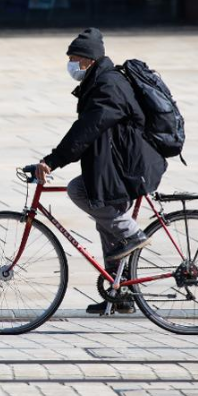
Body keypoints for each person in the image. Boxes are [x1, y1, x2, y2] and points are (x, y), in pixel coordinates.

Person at [36, 28, 167, 314]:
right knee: (106, 222)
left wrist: (53, 160)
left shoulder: (108, 86)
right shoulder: (101, 82)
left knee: (79, 191)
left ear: (88, 61)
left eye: (74, 59)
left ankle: (133, 234)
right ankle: (120, 295)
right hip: (117, 165)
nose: (70, 65)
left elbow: (87, 130)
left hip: (128, 167)